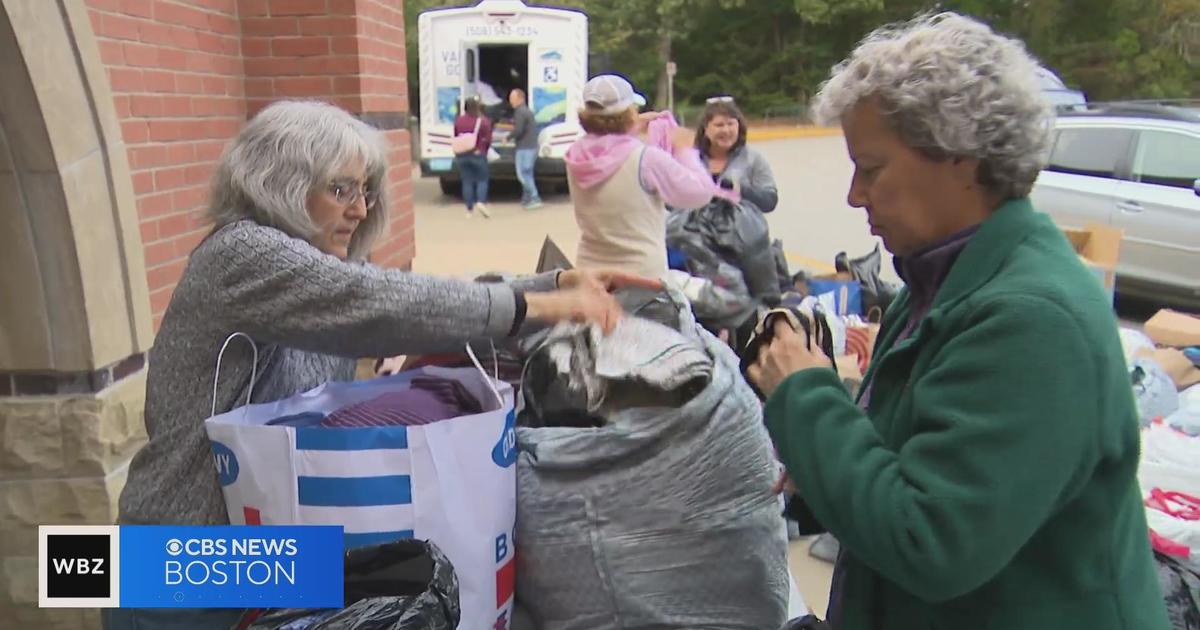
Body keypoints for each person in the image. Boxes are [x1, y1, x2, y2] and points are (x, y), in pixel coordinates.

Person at [106, 100, 659, 630]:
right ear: (279, 184)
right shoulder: (242, 253)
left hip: (269, 543)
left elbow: (389, 300)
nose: (361, 209)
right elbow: (376, 304)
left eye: (366, 190)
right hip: (172, 554)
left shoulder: (317, 267)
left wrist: (551, 283)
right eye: (340, 188)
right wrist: (534, 305)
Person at [747, 13, 1170, 630]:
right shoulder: (939, 281)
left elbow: (932, 540)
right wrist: (825, 441)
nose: (854, 195)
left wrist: (805, 398)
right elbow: (924, 436)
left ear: (963, 159)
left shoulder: (1032, 320)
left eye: (872, 167)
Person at [566, 74, 718, 277]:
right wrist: (684, 150)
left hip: (591, 272)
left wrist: (631, 127)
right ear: (629, 113)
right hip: (641, 276)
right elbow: (700, 193)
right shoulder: (646, 158)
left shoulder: (576, 155)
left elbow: (607, 143)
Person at [695, 97, 778, 212]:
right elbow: (669, 203)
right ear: (705, 129)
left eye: (731, 124)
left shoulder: (753, 159)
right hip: (693, 229)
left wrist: (738, 189)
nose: (726, 130)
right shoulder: (689, 159)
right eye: (719, 125)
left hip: (740, 228)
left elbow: (769, 202)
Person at [454, 96, 493, 218]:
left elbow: (456, 135)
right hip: (478, 154)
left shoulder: (458, 121)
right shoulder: (483, 121)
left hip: (462, 155)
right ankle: (480, 202)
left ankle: (469, 210)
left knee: (467, 181)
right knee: (482, 180)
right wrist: (484, 150)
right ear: (477, 107)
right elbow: (489, 139)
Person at [510, 88, 543, 210]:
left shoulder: (520, 112)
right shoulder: (528, 111)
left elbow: (518, 130)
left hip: (524, 147)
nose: (510, 101)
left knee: (523, 174)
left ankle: (534, 198)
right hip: (532, 146)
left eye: (512, 98)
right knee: (528, 173)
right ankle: (527, 199)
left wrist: (508, 137)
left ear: (520, 98)